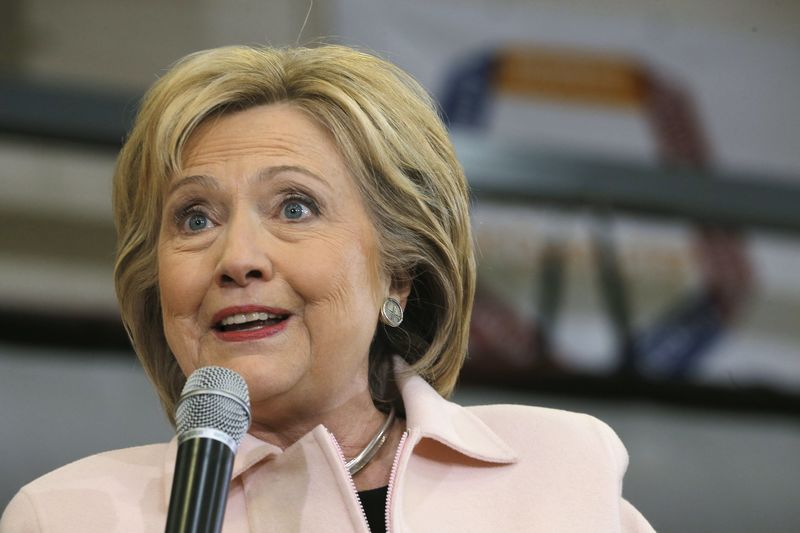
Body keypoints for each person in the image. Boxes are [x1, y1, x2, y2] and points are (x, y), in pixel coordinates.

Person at [0, 44, 654, 532]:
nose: (238, 259)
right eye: (195, 218)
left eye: (294, 207)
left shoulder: (560, 471)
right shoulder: (66, 514)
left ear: (397, 271)